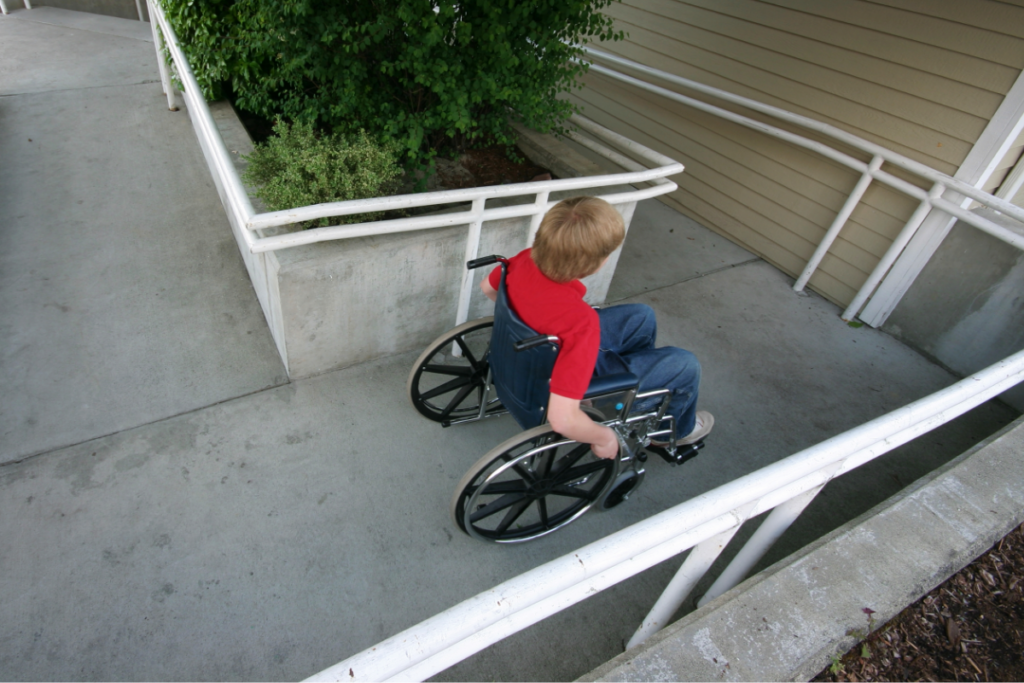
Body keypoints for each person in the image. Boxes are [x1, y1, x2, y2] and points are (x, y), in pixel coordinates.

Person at [481, 196, 713, 460]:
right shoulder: (581, 322)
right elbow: (562, 419)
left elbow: (488, 288)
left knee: (641, 316)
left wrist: (527, 321)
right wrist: (604, 439)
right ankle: (671, 432)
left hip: (526, 353)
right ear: (596, 264)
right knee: (685, 364)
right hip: (556, 375)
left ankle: (634, 399)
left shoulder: (522, 260)